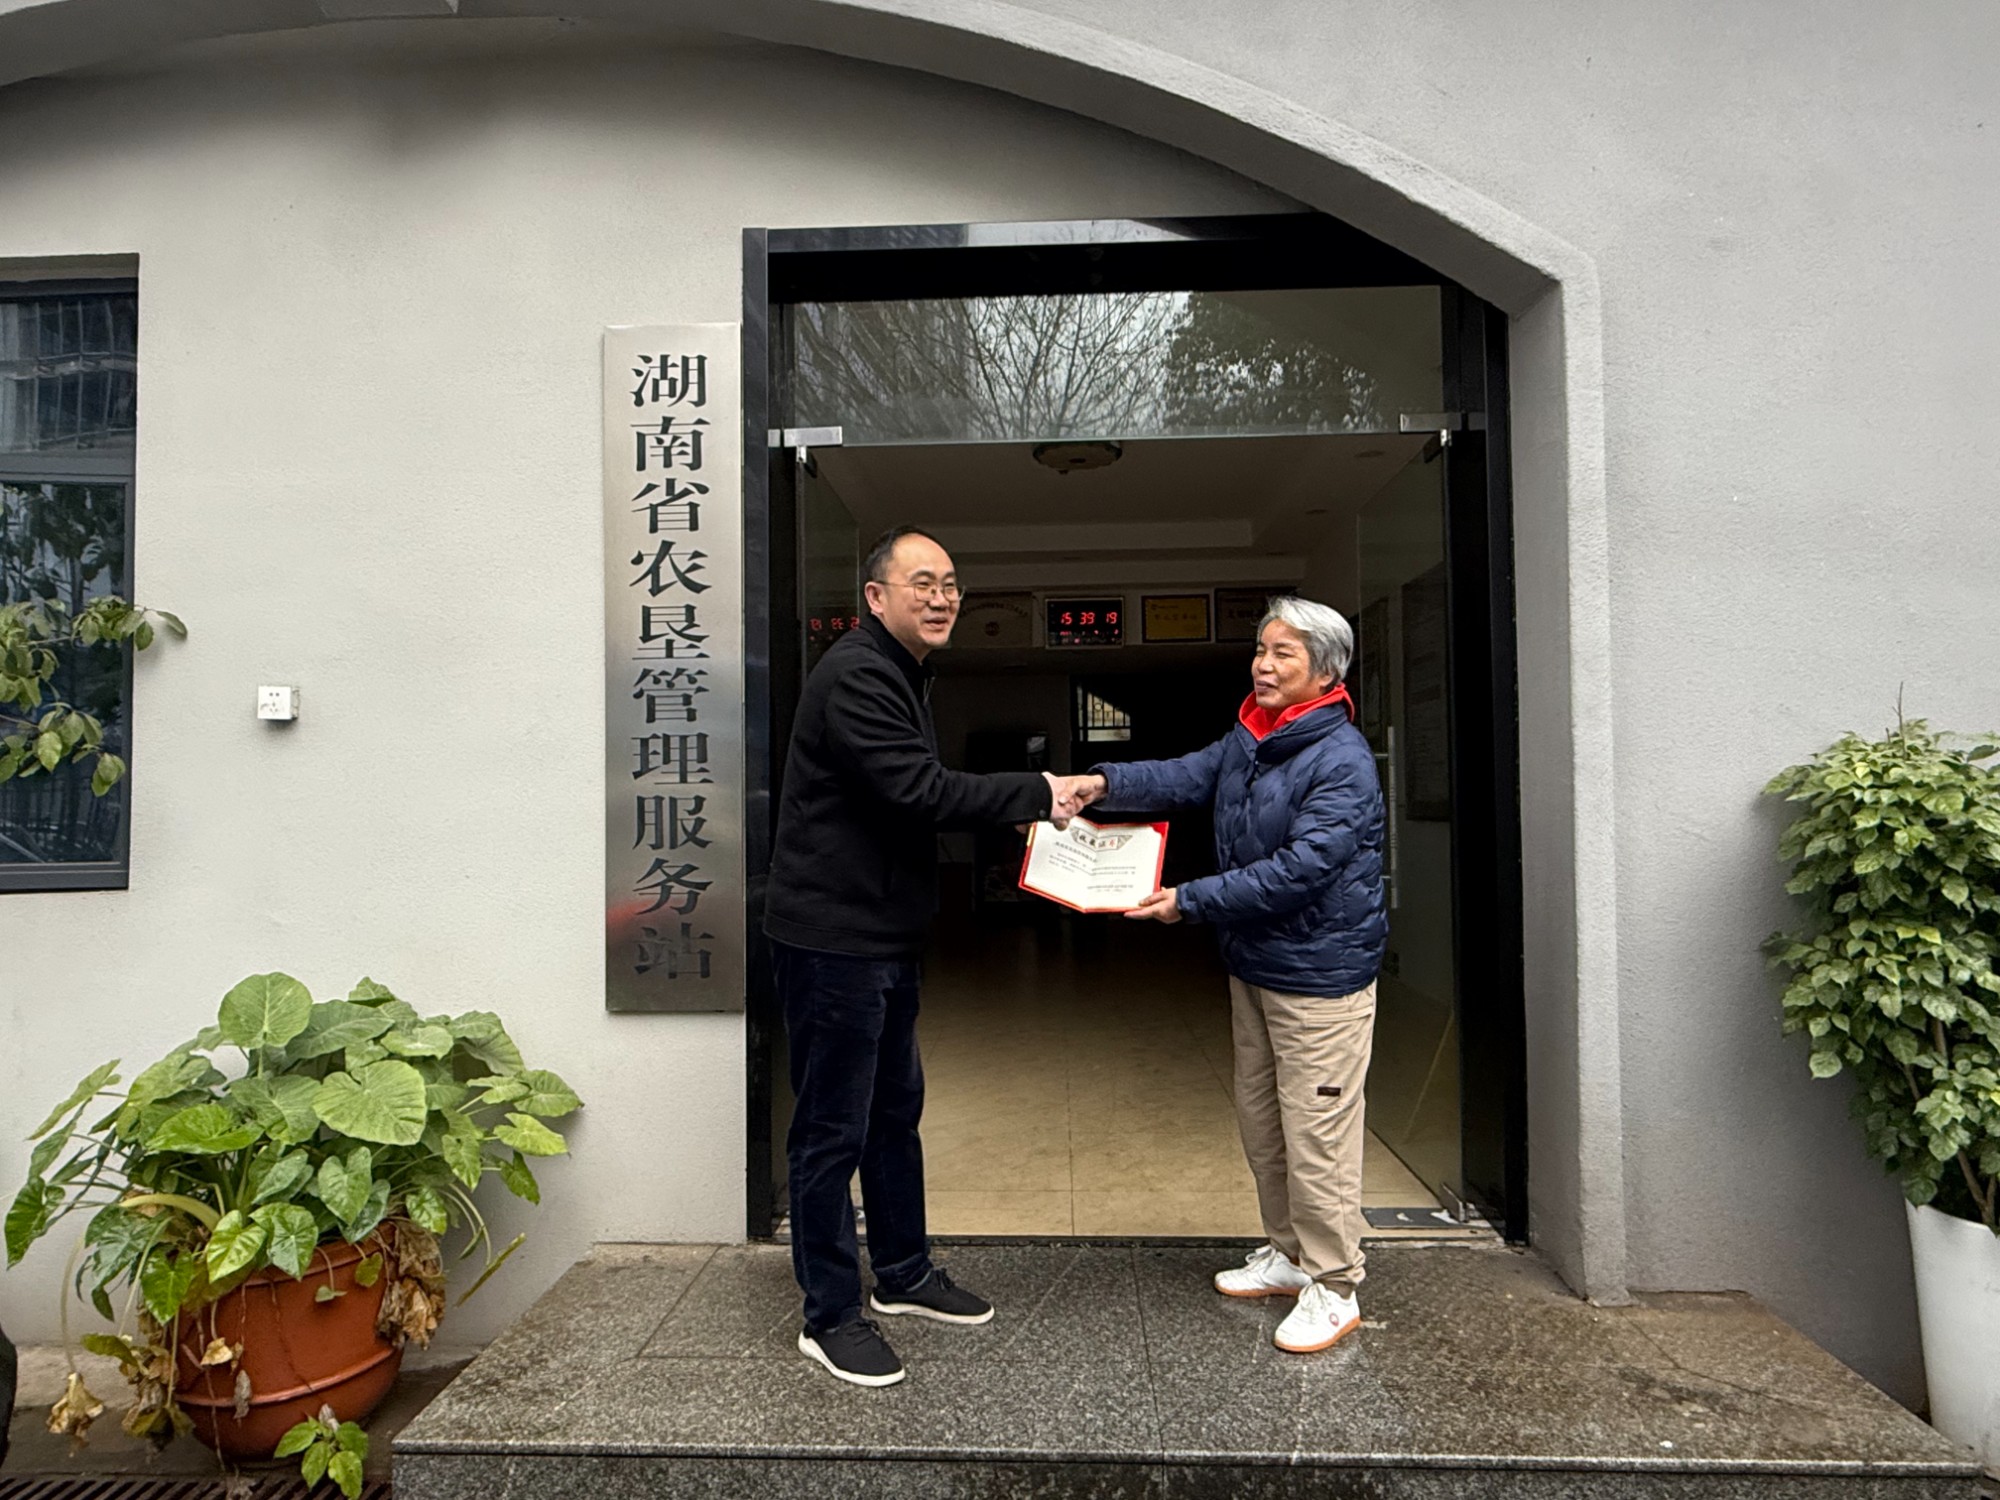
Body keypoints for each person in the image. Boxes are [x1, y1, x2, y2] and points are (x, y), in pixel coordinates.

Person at [764, 525, 1085, 1388]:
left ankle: (903, 1272)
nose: (942, 597)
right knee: (831, 1128)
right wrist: (1040, 792)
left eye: (950, 583)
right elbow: (916, 790)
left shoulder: (903, 671)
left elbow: (906, 798)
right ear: (876, 597)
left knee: (892, 1110)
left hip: (882, 935)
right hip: (833, 942)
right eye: (922, 583)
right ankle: (830, 1314)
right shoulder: (859, 674)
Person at [1064, 595, 1387, 1354]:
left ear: (1326, 672)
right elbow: (1185, 775)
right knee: (1265, 1123)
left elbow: (1300, 870)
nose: (1262, 665)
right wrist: (1100, 785)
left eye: (1282, 654)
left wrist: (1189, 901)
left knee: (1317, 1134)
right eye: (1260, 649)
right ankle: (1289, 1254)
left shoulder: (1341, 759)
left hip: (1321, 977)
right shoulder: (1253, 735)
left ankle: (1335, 1284)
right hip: (1257, 966)